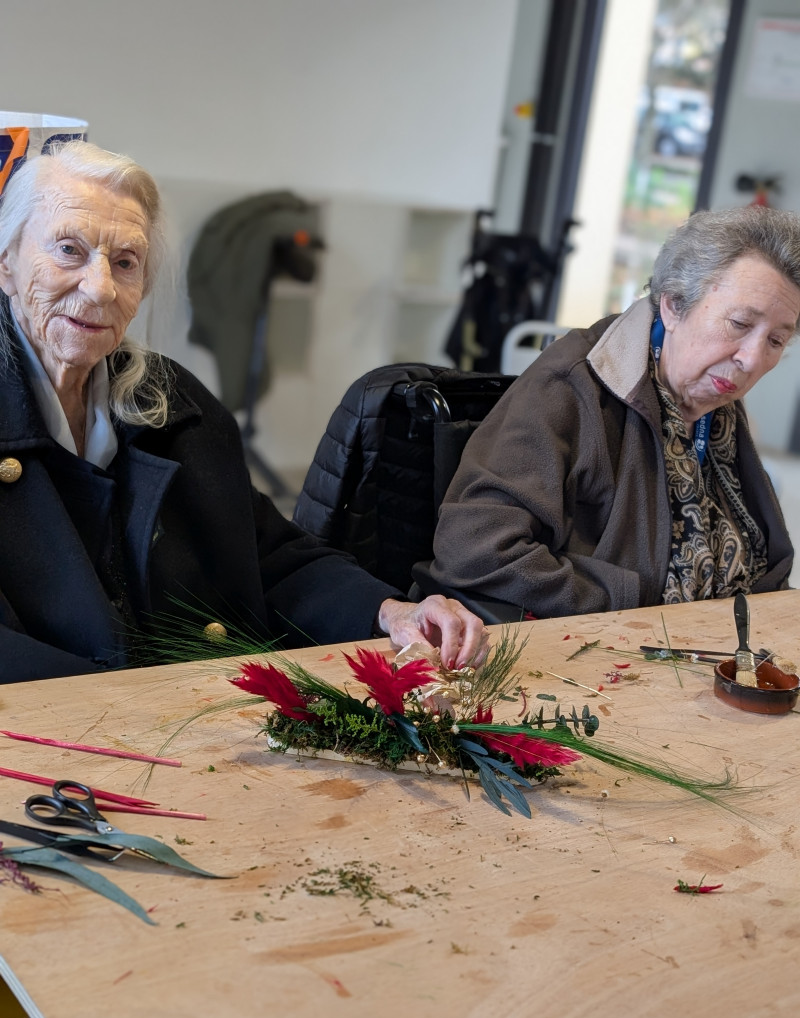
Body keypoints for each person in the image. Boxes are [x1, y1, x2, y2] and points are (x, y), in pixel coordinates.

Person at [0, 141, 487, 684]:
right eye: (68, 250)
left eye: (126, 262)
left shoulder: (169, 402)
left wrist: (393, 612)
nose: (100, 288)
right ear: (6, 263)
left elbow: (268, 558)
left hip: (194, 719)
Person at [429, 207, 800, 618]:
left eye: (776, 340)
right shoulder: (571, 387)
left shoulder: (716, 397)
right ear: (674, 306)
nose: (752, 359)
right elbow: (475, 549)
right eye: (739, 323)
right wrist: (625, 604)